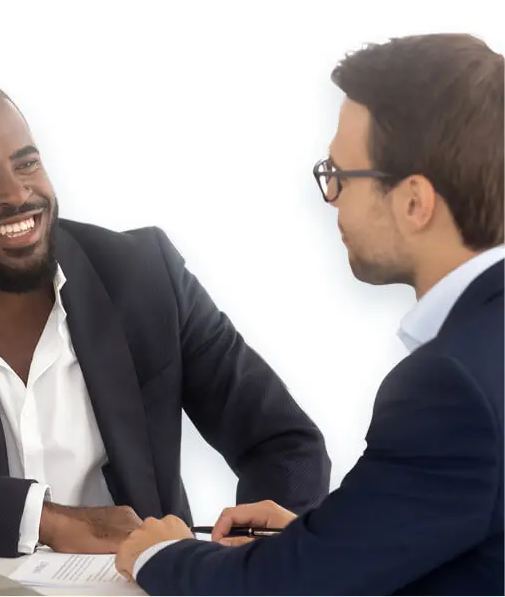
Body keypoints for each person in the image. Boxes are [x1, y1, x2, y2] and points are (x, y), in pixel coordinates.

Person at [0, 77, 330, 558]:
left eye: (26, 164)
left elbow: (282, 441)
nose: (17, 194)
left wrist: (259, 555)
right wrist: (43, 519)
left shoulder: (145, 275)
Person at [116, 33, 504, 595]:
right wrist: (323, 539)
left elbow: (285, 590)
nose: (332, 199)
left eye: (341, 177)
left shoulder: (450, 386)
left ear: (415, 202)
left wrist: (160, 554)